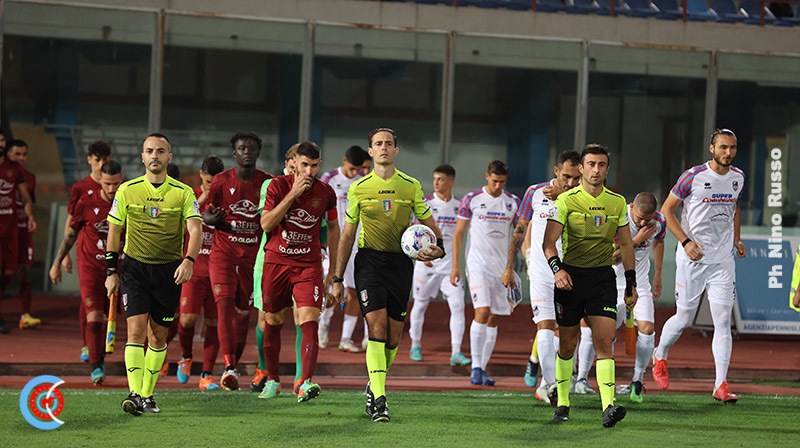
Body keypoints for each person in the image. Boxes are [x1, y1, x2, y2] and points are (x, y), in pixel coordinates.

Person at [331, 127, 444, 422]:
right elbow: (347, 234)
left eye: (388, 143)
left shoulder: (411, 186)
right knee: (377, 329)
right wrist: (337, 278)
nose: (383, 147)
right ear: (371, 151)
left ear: (396, 150)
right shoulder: (359, 188)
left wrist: (440, 249)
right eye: (378, 143)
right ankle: (380, 401)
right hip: (369, 263)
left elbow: (430, 225)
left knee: (393, 338)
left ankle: (374, 383)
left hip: (401, 264)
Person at [105, 133, 202, 415]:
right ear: (142, 157)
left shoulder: (183, 192)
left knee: (158, 337)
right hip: (134, 269)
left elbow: (195, 229)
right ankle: (135, 394)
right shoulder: (127, 190)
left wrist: (189, 260)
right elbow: (114, 230)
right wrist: (111, 271)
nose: (154, 156)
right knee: (135, 332)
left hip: (169, 271)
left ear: (169, 157)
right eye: (149, 151)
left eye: (160, 151)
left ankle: (147, 394)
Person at [543, 144, 636, 428]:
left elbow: (626, 244)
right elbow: (548, 243)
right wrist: (558, 270)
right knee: (567, 344)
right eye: (591, 164)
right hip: (570, 280)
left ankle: (608, 407)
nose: (596, 170)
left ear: (607, 169)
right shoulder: (566, 201)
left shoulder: (617, 203)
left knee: (604, 342)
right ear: (581, 168)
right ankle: (562, 403)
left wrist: (631, 282)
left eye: (602, 165)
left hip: (602, 280)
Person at [652, 128, 746, 404]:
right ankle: (660, 354)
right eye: (723, 147)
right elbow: (666, 210)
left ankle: (720, 385)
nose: (728, 152)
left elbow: (735, 208)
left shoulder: (738, 177)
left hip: (723, 261)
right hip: (693, 258)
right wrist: (685, 242)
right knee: (684, 319)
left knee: (723, 322)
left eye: (732, 147)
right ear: (712, 148)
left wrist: (737, 239)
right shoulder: (692, 177)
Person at [259, 141, 339, 402]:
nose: (309, 171)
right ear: (294, 163)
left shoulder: (326, 192)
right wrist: (292, 194)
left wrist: (334, 272)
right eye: (304, 165)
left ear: (319, 165)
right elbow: (266, 223)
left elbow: (334, 229)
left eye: (314, 166)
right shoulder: (277, 186)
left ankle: (304, 383)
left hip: (308, 265)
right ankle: (272, 379)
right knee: (273, 320)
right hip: (276, 263)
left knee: (309, 319)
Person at [502, 150, 581, 402]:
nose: (571, 182)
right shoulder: (534, 192)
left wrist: (564, 196)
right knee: (545, 326)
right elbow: (520, 229)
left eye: (576, 178)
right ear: (556, 171)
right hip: (541, 271)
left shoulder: (583, 196)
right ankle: (550, 385)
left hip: (572, 272)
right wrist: (509, 267)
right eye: (566, 176)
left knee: (566, 331)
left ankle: (551, 383)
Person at [203, 131, 272, 390]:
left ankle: (233, 366)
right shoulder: (221, 181)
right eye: (242, 148)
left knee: (243, 314)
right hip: (223, 254)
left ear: (258, 152)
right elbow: (206, 214)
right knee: (224, 306)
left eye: (251, 148)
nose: (247, 152)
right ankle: (229, 366)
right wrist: (213, 219)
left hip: (253, 259)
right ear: (234, 153)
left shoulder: (267, 183)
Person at [50, 161, 124, 385]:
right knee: (94, 316)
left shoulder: (128, 202)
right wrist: (57, 262)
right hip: (90, 266)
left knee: (110, 318)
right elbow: (70, 235)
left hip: (117, 268)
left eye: (116, 184)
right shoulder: (86, 202)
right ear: (100, 180)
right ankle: (96, 366)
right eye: (108, 184)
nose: (112, 189)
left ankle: (100, 359)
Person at [451, 160, 520, 387]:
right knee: (482, 312)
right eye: (494, 181)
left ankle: (482, 367)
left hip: (501, 269)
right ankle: (476, 368)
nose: (498, 186)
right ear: (487, 176)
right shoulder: (472, 199)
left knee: (493, 317)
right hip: (477, 265)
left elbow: (521, 234)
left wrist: (514, 266)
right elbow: (459, 234)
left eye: (502, 182)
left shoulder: (512, 202)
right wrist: (455, 265)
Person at [408, 164, 470, 366]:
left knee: (458, 306)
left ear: (451, 181)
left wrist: (457, 265)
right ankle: (415, 345)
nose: (435, 182)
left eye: (440, 179)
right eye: (434, 178)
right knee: (420, 304)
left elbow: (460, 236)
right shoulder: (425, 203)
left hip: (449, 267)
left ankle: (456, 352)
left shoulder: (460, 206)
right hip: (426, 265)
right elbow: (414, 230)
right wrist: (421, 255)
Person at [608, 192, 666, 403]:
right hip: (612, 283)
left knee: (648, 329)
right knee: (607, 334)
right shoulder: (617, 219)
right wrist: (636, 240)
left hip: (640, 283)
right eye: (640, 218)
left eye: (647, 219)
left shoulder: (659, 221)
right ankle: (606, 383)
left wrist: (658, 273)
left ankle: (637, 381)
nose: (643, 223)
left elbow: (659, 242)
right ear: (631, 207)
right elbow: (611, 259)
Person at [175, 155, 225, 391]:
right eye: (207, 182)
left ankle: (207, 374)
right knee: (187, 319)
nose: (211, 187)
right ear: (200, 176)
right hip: (193, 268)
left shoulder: (226, 199)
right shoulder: (190, 196)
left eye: (215, 183)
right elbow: (178, 224)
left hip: (218, 270)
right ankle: (186, 356)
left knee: (214, 322)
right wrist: (202, 200)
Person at [319, 145, 371, 352]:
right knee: (331, 289)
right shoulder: (329, 179)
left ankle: (346, 338)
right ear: (343, 161)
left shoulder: (363, 182)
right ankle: (323, 326)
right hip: (334, 244)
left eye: (357, 169)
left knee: (355, 292)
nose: (353, 173)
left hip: (355, 245)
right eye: (351, 168)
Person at [63, 141, 112, 359]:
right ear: (89, 159)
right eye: (97, 159)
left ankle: (99, 342)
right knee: (88, 298)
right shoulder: (80, 187)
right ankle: (87, 344)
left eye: (105, 159)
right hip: (87, 251)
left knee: (105, 303)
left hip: (111, 253)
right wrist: (65, 254)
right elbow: (71, 220)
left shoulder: (116, 186)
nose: (101, 164)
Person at [0, 133, 36, 335]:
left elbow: (26, 198)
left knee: (10, 272)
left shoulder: (19, 172)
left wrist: (30, 217)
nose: (21, 158)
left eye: (2, 141)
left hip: (13, 229)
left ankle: (25, 313)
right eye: (17, 153)